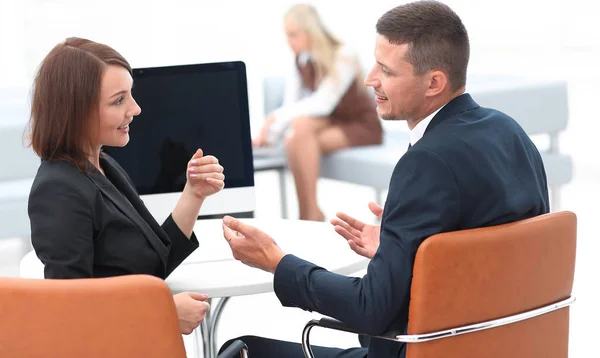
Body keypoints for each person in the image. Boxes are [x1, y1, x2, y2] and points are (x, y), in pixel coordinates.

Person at [220, 1, 549, 357]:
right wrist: (404, 250)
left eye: (387, 71)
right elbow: (491, 257)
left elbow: (371, 311)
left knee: (240, 350)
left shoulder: (426, 162)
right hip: (504, 345)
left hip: (427, 350)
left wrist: (275, 261)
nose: (369, 79)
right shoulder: (509, 132)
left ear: (434, 82)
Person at [27, 37, 225, 335]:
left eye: (130, 95)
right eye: (119, 100)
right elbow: (69, 314)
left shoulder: (103, 165)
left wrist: (194, 193)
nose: (136, 108)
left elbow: (152, 263)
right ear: (76, 110)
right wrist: (164, 312)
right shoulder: (58, 191)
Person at [253, 4, 383, 221]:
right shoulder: (301, 60)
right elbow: (292, 103)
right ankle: (310, 211)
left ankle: (308, 215)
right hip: (332, 122)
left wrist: (274, 119)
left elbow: (323, 103)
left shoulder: (343, 55)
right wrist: (267, 135)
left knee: (299, 135)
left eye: (293, 35)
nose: (289, 42)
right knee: (299, 130)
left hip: (361, 125)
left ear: (310, 31)